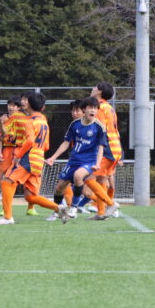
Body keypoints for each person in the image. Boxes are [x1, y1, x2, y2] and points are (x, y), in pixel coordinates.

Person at [43, 96, 120, 223]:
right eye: (90, 108)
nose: (93, 110)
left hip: (89, 161)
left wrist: (97, 164)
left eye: (95, 108)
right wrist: (53, 158)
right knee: (59, 188)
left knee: (79, 176)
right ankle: (58, 211)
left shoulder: (99, 127)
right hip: (74, 160)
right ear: (84, 109)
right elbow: (66, 143)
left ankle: (74, 207)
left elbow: (101, 147)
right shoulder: (75, 124)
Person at [0, 92, 62, 225]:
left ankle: (7, 217)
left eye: (25, 100)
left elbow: (29, 141)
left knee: (6, 182)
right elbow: (46, 145)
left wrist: (18, 156)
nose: (23, 102)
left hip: (28, 157)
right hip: (38, 159)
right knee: (30, 197)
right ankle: (58, 208)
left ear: (29, 104)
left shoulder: (30, 121)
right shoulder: (43, 119)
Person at [91, 82, 123, 218]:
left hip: (107, 148)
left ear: (99, 92)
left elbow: (100, 130)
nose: (92, 89)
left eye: (95, 87)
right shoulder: (109, 107)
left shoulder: (99, 107)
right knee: (101, 180)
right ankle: (101, 212)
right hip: (115, 147)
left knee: (87, 178)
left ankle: (111, 204)